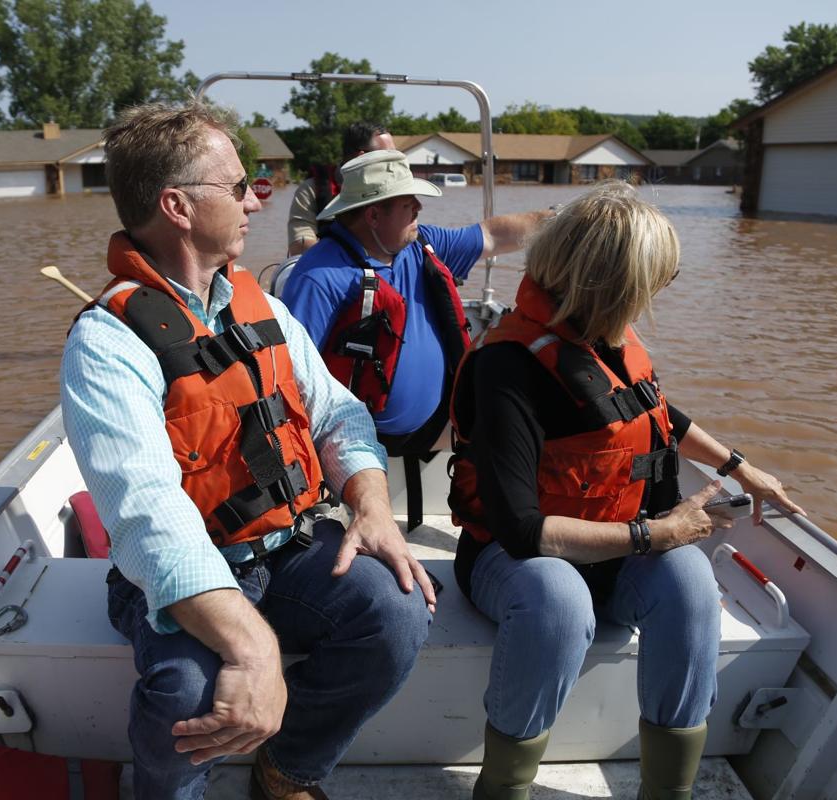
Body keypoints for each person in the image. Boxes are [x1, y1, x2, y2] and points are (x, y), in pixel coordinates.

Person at [60, 103, 435, 800]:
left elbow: (339, 414)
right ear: (177, 205)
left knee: (398, 609)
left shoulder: (258, 303)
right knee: (187, 693)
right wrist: (252, 645)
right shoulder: (106, 344)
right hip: (183, 573)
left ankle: (288, 770)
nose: (255, 200)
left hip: (285, 548)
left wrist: (371, 505)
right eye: (237, 186)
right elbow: (148, 517)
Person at [446, 181, 805, 800]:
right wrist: (656, 533)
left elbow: (658, 415)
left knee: (691, 581)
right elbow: (521, 531)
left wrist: (742, 469)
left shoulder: (601, 337)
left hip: (616, 556)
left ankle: (668, 791)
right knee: (560, 599)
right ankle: (503, 788)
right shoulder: (505, 369)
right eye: (651, 282)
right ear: (608, 286)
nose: (656, 295)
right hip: (517, 564)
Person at [281, 148, 552, 529]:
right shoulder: (318, 277)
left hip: (437, 421)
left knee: (524, 409)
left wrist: (563, 223)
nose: (419, 211)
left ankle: (510, 526)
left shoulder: (417, 245)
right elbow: (292, 384)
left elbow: (492, 235)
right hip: (357, 439)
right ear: (374, 215)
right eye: (409, 204)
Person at [286, 121, 395, 255]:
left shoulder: (398, 189)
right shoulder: (312, 189)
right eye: (388, 156)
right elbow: (299, 245)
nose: (395, 163)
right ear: (363, 157)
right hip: (332, 271)